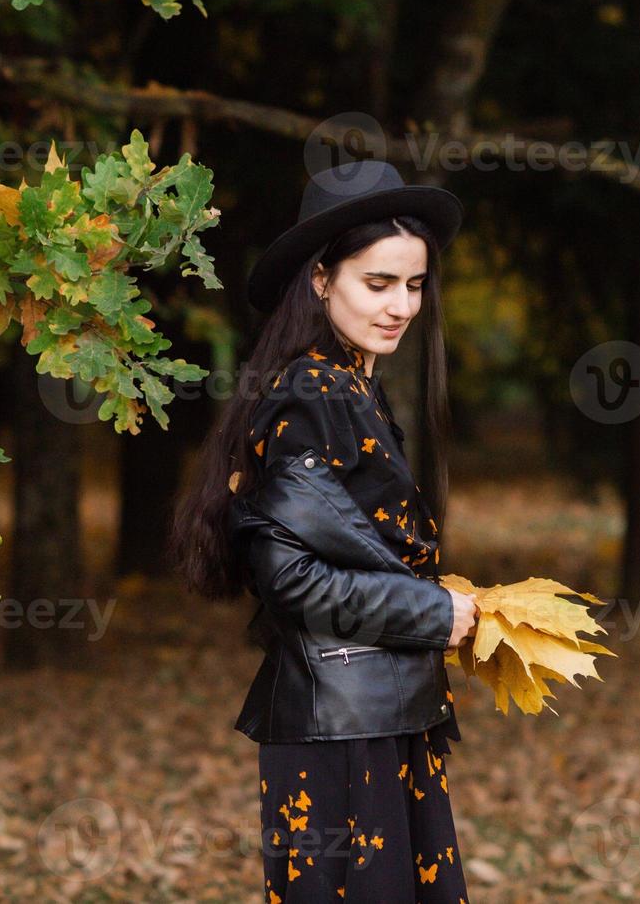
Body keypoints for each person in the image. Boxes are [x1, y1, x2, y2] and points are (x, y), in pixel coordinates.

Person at [169, 160, 480, 902]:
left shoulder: (348, 387)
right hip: (339, 732)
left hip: (374, 716)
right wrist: (434, 614)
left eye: (413, 284)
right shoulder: (312, 395)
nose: (400, 305)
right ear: (319, 281)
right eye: (376, 284)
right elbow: (291, 580)